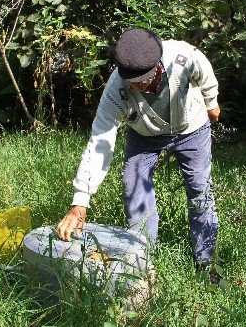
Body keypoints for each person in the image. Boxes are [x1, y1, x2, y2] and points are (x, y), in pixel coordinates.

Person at [56, 28, 221, 280]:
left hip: (192, 128)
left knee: (199, 188)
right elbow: (100, 139)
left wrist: (212, 103)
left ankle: (206, 261)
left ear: (157, 64)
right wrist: (80, 199)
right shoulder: (116, 89)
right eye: (131, 81)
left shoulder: (182, 56)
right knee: (133, 185)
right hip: (144, 135)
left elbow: (204, 71)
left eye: (142, 80)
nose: (135, 86)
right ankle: (142, 259)